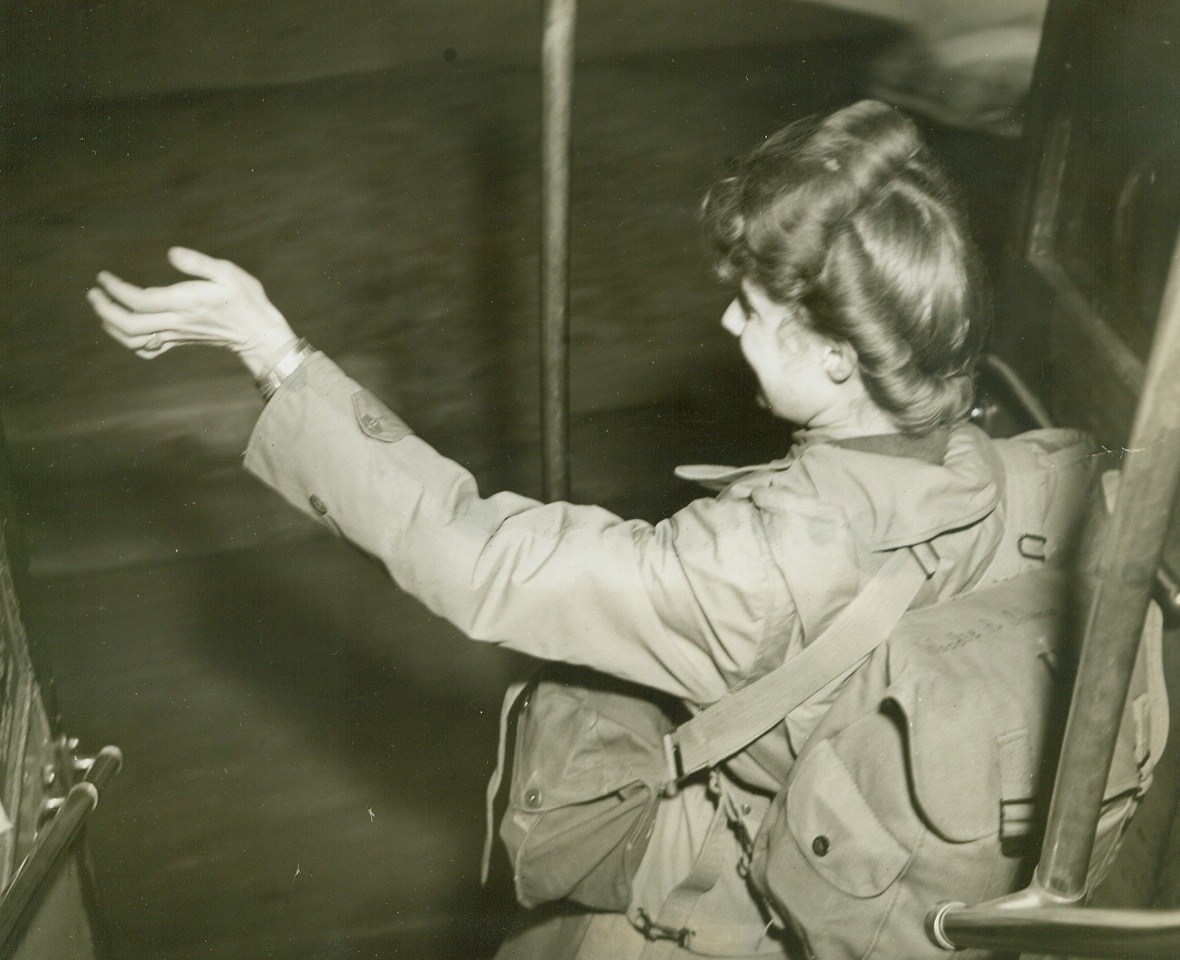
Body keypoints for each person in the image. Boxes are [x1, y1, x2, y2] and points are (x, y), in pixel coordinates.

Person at [88, 100, 1026, 958]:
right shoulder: (990, 458)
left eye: (753, 307)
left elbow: (479, 555)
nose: (729, 320)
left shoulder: (758, 568)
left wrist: (274, 355)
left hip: (750, 903)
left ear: (832, 358)